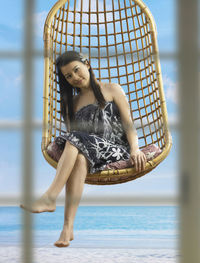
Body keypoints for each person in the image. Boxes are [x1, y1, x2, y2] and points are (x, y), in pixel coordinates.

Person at [20, 50, 147, 247]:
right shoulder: (72, 104)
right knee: (78, 156)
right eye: (68, 76)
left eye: (77, 70)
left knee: (75, 139)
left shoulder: (112, 89)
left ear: (87, 64)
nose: (75, 78)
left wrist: (135, 149)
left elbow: (129, 125)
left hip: (114, 149)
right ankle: (67, 228)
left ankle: (50, 197)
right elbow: (75, 142)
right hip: (89, 152)